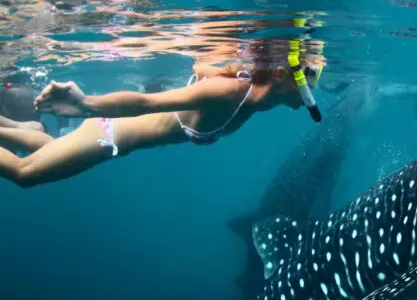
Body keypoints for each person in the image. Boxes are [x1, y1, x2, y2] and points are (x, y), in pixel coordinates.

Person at [0, 42, 325, 189]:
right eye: (311, 77)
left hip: (112, 137)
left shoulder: (253, 95)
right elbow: (144, 103)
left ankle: (14, 126)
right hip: (108, 133)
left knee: (45, 150)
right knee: (25, 173)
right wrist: (87, 104)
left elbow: (201, 66)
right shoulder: (229, 95)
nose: (314, 87)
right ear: (282, 75)